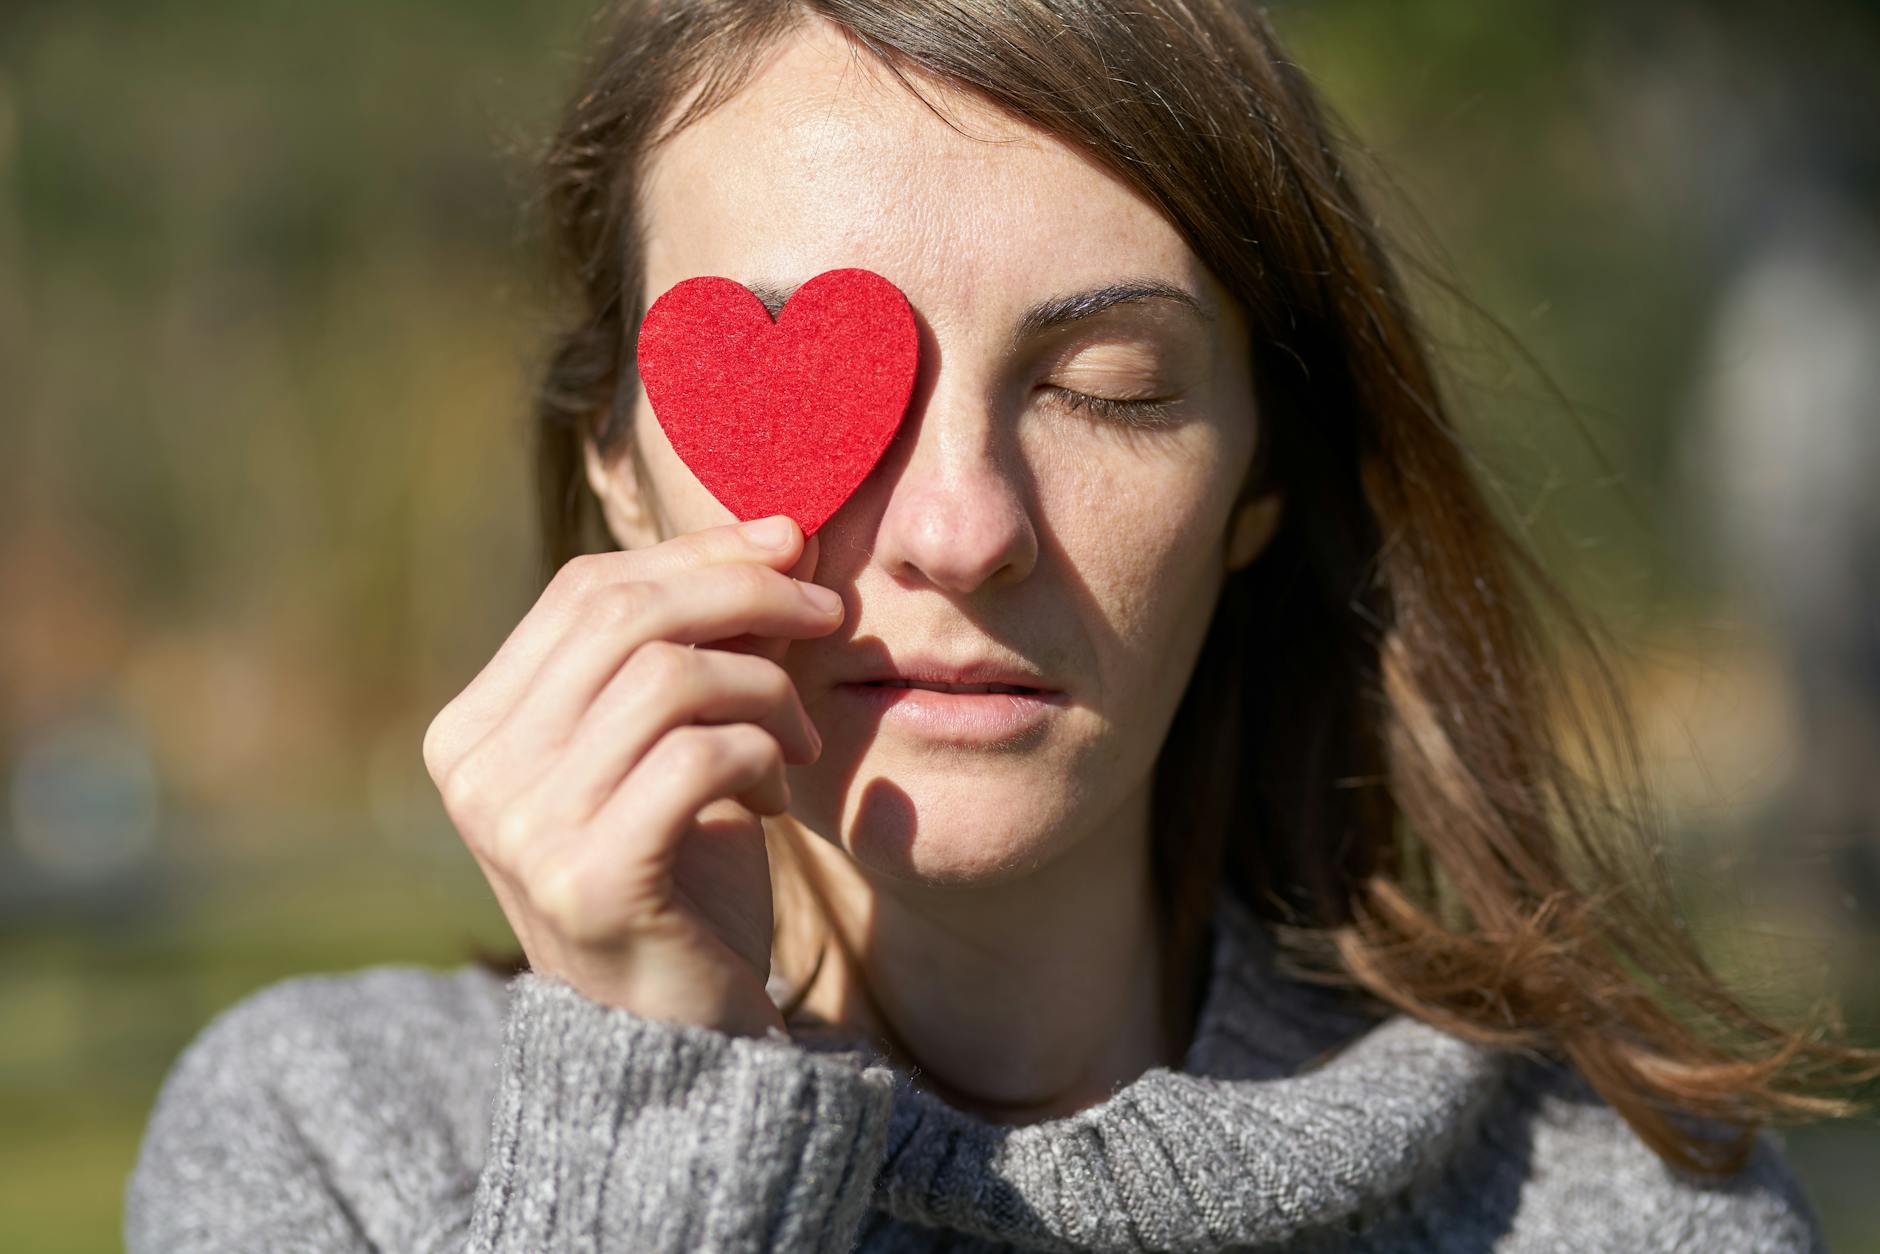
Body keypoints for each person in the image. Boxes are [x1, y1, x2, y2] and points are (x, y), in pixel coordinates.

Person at [124, 2, 1879, 1250]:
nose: (962, 529)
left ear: (1264, 474)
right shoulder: (329, 1145)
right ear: (623, 470)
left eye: (1106, 389)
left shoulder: (1618, 1207)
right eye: (835, 401)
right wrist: (651, 1104)